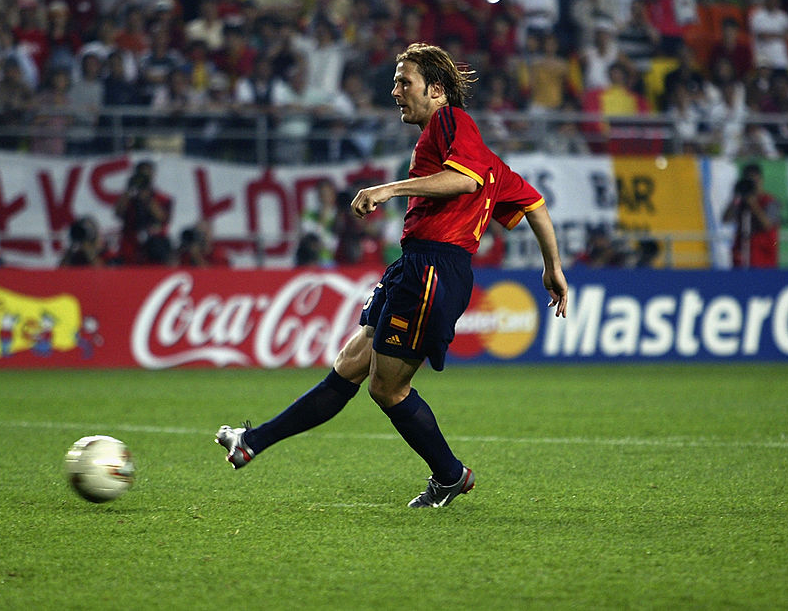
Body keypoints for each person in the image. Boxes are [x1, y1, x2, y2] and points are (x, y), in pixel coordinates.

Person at [215, 43, 569, 508]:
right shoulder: (483, 156)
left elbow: (463, 181)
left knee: (387, 387)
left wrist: (388, 189)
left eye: (405, 82)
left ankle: (450, 475)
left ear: (436, 90)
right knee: (349, 366)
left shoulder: (452, 123)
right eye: (396, 81)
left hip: (434, 269)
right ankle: (252, 443)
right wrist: (553, 268)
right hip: (415, 265)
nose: (395, 90)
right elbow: (534, 203)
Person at [114, 161, 173, 265]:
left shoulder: (163, 198)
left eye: (147, 174)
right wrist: (129, 190)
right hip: (130, 244)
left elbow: (163, 218)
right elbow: (118, 213)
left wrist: (146, 197)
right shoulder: (129, 198)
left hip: (155, 246)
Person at [722, 163, 780, 268]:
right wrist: (736, 198)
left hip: (763, 257)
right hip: (742, 255)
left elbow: (768, 225)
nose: (753, 184)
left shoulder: (770, 201)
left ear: (761, 180)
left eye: (755, 180)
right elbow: (726, 219)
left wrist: (753, 204)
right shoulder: (740, 202)